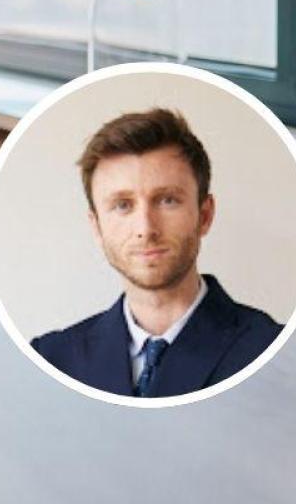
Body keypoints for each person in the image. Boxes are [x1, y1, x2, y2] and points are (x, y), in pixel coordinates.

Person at [29, 108, 282, 399]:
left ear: (205, 215)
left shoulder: (274, 352)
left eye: (167, 200)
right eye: (123, 205)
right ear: (97, 226)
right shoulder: (50, 359)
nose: (145, 229)